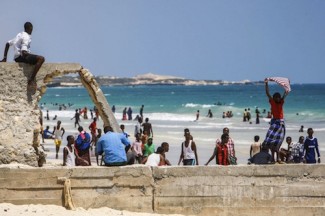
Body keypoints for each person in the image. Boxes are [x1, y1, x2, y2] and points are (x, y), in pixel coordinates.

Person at [1, 22, 45, 89]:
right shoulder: (26, 37)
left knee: (34, 58)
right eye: (31, 29)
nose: (31, 31)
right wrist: (32, 56)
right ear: (29, 29)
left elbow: (7, 44)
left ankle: (31, 77)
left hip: (16, 58)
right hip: (21, 57)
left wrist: (4, 58)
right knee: (41, 59)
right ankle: (31, 80)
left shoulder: (19, 35)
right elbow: (24, 52)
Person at [262, 78, 289, 163]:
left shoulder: (281, 102)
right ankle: (273, 158)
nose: (278, 98)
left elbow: (286, 93)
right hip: (274, 123)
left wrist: (287, 85)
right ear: (274, 98)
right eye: (276, 97)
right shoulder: (272, 102)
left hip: (281, 124)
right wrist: (266, 84)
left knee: (278, 142)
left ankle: (278, 159)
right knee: (270, 141)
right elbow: (267, 93)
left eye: (278, 97)